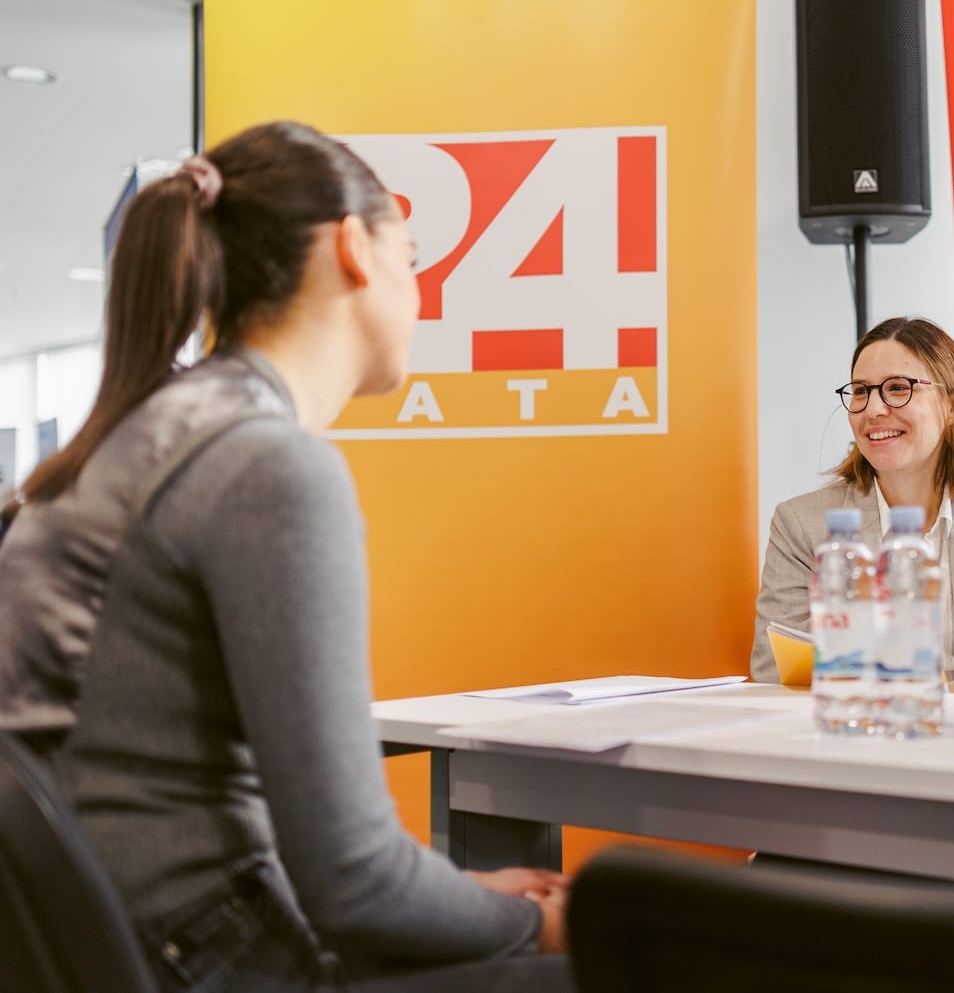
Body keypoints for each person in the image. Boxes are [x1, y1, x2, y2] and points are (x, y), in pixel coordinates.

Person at [0, 122, 571, 991]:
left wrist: (468, 900)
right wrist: (537, 922)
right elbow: (357, 883)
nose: (422, 293)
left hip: (146, 941)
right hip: (209, 959)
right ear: (352, 248)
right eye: (413, 258)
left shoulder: (149, 435)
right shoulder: (266, 464)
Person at [751, 316, 954, 694]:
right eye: (861, 391)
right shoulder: (801, 524)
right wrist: (932, 697)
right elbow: (773, 674)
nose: (873, 409)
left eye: (897, 388)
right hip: (860, 730)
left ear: (951, 404)